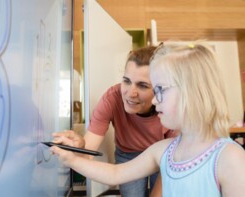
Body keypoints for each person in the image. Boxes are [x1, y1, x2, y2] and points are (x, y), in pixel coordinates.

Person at [51, 42, 245, 196]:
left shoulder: (231, 159)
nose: (154, 99)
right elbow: (114, 174)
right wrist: (71, 158)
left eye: (159, 89)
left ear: (191, 92)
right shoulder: (164, 150)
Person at [53, 46, 176, 197]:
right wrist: (78, 148)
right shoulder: (112, 98)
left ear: (159, 88)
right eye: (127, 81)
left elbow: (170, 163)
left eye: (143, 85)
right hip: (128, 153)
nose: (131, 93)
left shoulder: (170, 110)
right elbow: (89, 156)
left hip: (163, 156)